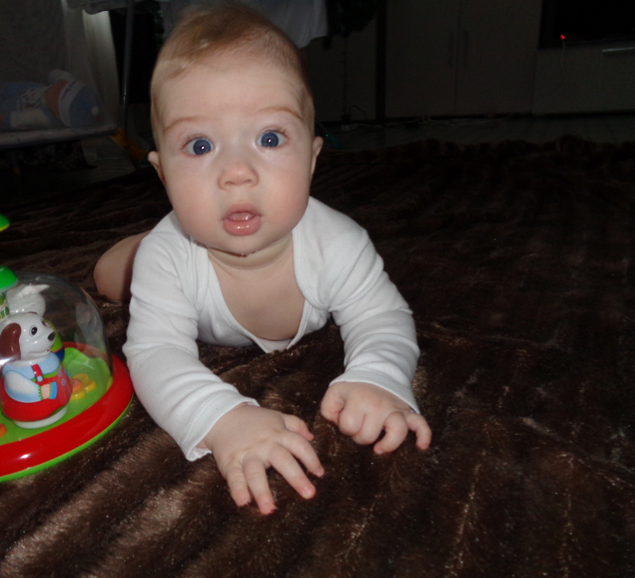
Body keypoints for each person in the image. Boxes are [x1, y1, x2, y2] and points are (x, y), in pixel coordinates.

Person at [94, 3, 432, 516]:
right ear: (162, 175)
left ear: (312, 159)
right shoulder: (167, 258)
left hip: (204, 241)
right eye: (200, 145)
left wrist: (379, 375)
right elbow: (155, 352)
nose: (237, 172)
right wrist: (221, 418)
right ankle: (139, 242)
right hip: (171, 254)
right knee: (112, 276)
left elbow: (381, 315)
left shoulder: (338, 243)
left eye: (269, 139)